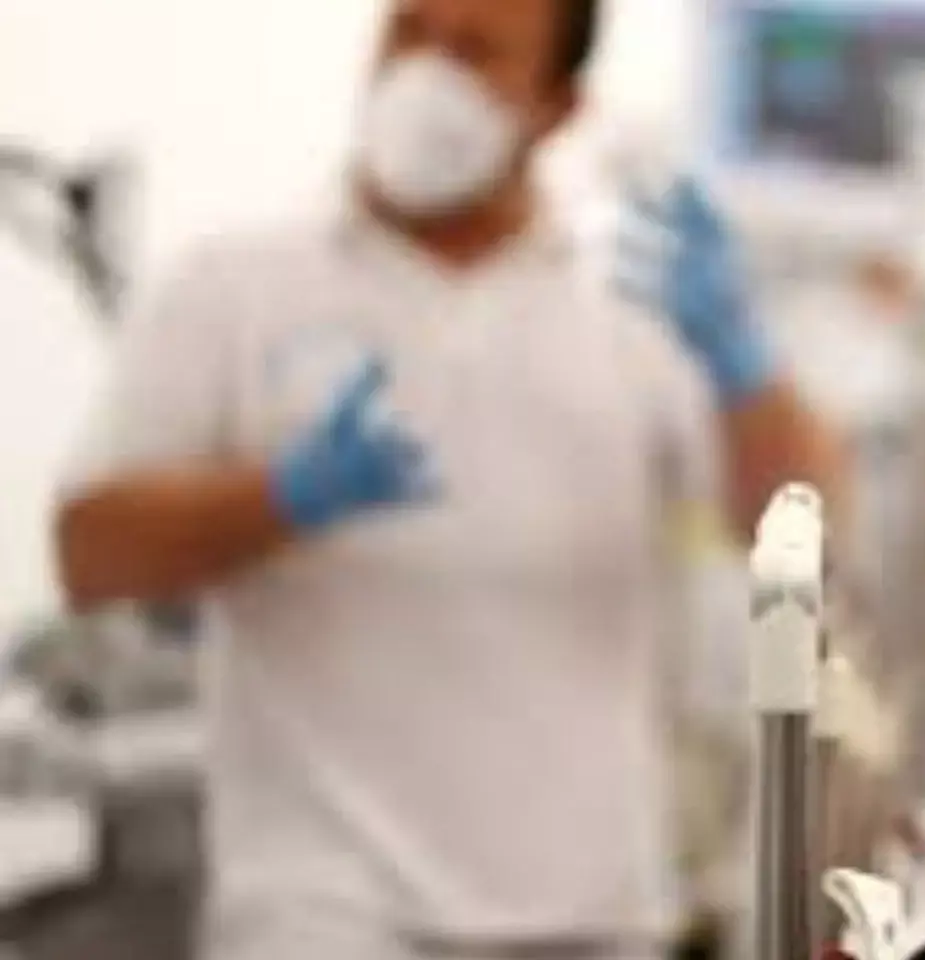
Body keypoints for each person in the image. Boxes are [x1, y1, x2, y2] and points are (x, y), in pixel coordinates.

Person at [51, 1, 843, 958]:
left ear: (559, 107)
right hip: (318, 908)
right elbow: (90, 555)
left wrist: (744, 369)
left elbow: (806, 537)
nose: (426, 72)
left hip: (591, 911)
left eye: (474, 52)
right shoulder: (233, 287)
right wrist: (281, 498)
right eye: (410, 32)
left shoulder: (634, 309)